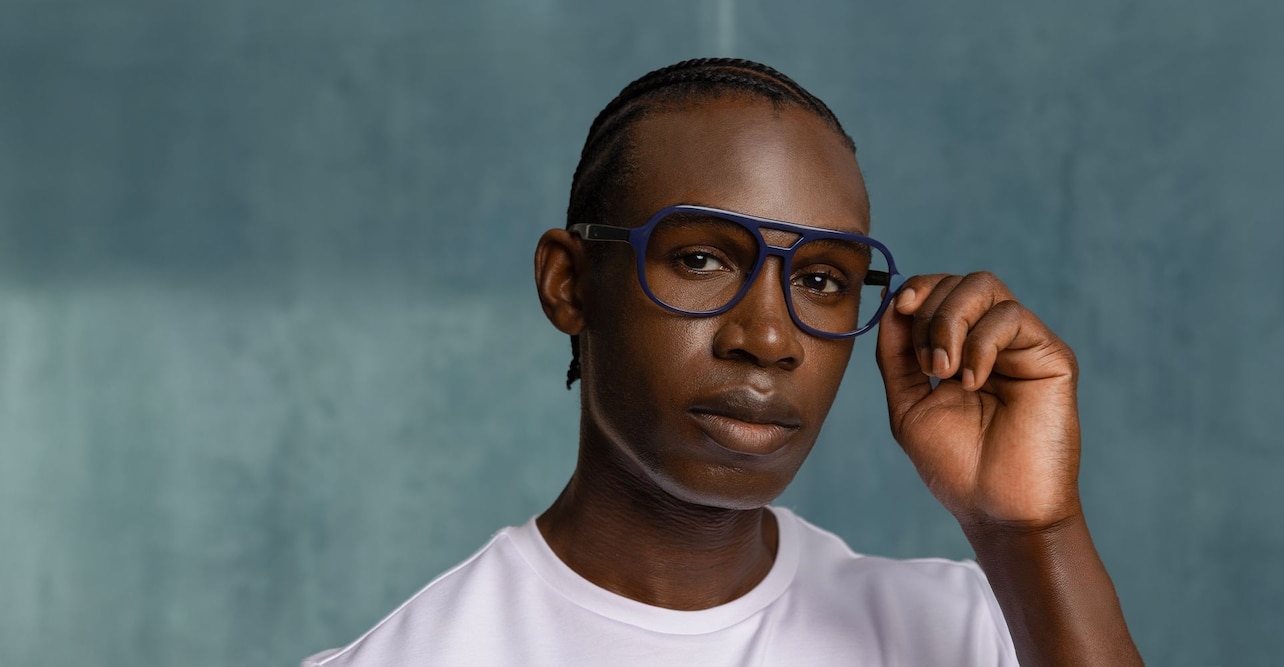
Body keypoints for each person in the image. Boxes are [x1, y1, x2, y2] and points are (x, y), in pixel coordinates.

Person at [303, 58, 1143, 666]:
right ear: (569, 284)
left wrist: (1034, 531)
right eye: (702, 260)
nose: (770, 338)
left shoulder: (973, 630)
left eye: (821, 279)